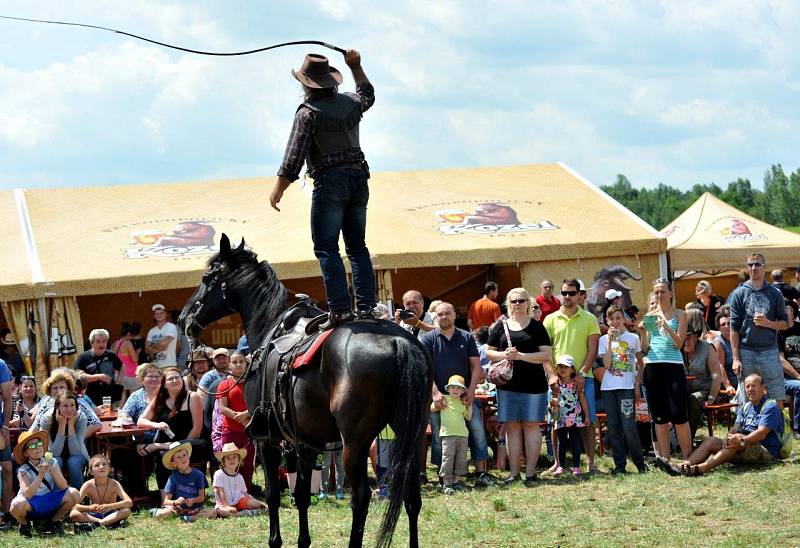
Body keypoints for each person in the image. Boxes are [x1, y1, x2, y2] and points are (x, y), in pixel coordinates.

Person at [270, 49, 377, 330]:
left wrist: (278, 189)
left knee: (327, 248)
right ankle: (367, 308)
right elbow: (368, 93)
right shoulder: (351, 103)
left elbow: (293, 157)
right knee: (357, 247)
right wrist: (356, 66)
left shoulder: (308, 113)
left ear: (306, 85)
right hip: (358, 179)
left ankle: (340, 310)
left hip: (330, 183)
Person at [486, 287, 554, 486]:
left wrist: (521, 356)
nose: (517, 304)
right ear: (508, 304)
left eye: (521, 300)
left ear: (528, 303)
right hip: (507, 385)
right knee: (512, 427)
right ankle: (514, 473)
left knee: (532, 425)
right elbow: (489, 352)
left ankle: (531, 473)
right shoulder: (500, 326)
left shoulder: (537, 327)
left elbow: (545, 355)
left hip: (534, 385)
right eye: (513, 301)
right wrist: (504, 355)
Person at [421, 302, 493, 488]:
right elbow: (425, 370)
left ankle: (481, 472)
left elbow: (476, 366)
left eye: (447, 313)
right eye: (440, 314)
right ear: (435, 316)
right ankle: (443, 475)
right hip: (441, 399)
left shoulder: (466, 337)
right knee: (439, 437)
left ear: (454, 315)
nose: (443, 317)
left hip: (464, 397)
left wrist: (470, 391)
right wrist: (435, 393)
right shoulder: (429, 339)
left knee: (477, 431)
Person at [543, 278, 600, 474]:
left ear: (579, 295)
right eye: (564, 293)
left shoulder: (589, 318)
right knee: (555, 421)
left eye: (571, 293)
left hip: (585, 377)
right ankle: (558, 463)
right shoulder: (549, 319)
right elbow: (545, 351)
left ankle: (590, 462)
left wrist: (582, 373)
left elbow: (593, 349)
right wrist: (551, 375)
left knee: (588, 420)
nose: (567, 297)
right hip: (557, 380)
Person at [677, 374, 784, 475]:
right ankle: (684, 465)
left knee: (737, 439)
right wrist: (729, 439)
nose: (750, 389)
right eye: (747, 386)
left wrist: (741, 440)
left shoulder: (770, 406)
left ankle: (701, 468)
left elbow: (761, 434)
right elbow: (734, 428)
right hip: (742, 448)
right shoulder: (745, 407)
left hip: (765, 452)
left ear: (763, 388)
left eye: (753, 386)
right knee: (711, 440)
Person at [640, 277, 691, 473]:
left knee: (679, 415)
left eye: (663, 291)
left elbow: (679, 344)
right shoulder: (650, 315)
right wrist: (643, 333)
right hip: (653, 366)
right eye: (657, 292)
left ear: (671, 293)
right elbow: (645, 348)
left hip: (673, 366)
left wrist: (667, 327)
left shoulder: (680, 314)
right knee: (659, 417)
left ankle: (688, 457)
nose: (660, 295)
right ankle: (665, 459)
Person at [137, 367, 208, 500]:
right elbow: (141, 421)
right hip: (168, 445)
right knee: (162, 457)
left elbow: (197, 430)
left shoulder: (192, 397)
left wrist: (180, 450)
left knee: (166, 451)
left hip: (192, 443)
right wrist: (156, 424)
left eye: (177, 377)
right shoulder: (160, 399)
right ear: (164, 384)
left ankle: (157, 446)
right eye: (171, 378)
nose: (175, 380)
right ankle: (166, 501)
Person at [728, 254, 788, 408]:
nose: (753, 268)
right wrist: (735, 358)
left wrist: (768, 323)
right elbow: (733, 328)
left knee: (776, 396)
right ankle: (751, 431)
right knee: (749, 399)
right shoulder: (739, 293)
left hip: (769, 351)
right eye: (750, 265)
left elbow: (785, 323)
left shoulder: (775, 293)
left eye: (757, 264)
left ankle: (779, 431)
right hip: (746, 350)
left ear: (764, 268)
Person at [598, 305, 647, 474]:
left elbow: (641, 364)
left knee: (629, 426)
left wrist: (637, 384)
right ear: (607, 321)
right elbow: (606, 365)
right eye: (612, 319)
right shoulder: (603, 340)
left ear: (624, 319)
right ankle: (620, 465)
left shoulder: (633, 338)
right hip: (609, 389)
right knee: (613, 426)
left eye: (618, 318)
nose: (615, 322)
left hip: (626, 387)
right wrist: (611, 341)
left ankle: (640, 463)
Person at [10, 430, 80, 537]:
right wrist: (40, 476)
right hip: (31, 504)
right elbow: (28, 494)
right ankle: (24, 525)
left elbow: (64, 486)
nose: (37, 447)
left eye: (39, 444)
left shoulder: (52, 462)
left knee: (74, 493)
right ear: (26, 453)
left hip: (48, 499)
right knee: (16, 504)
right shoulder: (23, 470)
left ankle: (54, 522)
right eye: (32, 446)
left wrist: (53, 472)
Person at [683, 309, 725, 441]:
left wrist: (712, 397)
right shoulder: (678, 351)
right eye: (683, 338)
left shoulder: (707, 348)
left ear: (696, 337)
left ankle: (688, 438)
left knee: (693, 399)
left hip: (706, 391)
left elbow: (717, 375)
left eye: (689, 337)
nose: (686, 341)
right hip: (686, 390)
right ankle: (674, 438)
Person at [216, 351, 255, 489]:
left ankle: (246, 492)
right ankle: (228, 492)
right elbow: (222, 408)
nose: (238, 364)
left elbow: (257, 404)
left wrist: (246, 415)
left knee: (248, 464)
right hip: (230, 431)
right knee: (229, 463)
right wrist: (239, 418)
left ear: (246, 364)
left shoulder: (253, 383)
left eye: (241, 361)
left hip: (248, 430)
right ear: (229, 365)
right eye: (234, 362)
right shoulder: (224, 384)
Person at [35, 392, 90, 490]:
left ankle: (79, 497)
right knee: (56, 461)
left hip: (78, 452)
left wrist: (70, 427)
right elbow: (53, 453)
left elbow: (75, 451)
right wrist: (61, 427)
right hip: (53, 453)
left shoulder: (81, 417)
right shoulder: (47, 419)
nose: (69, 409)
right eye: (65, 406)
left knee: (73, 462)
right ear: (57, 408)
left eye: (72, 405)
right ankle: (58, 497)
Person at [153, 441, 216, 521]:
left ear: (188, 457)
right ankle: (184, 517)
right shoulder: (173, 477)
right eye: (178, 457)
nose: (183, 458)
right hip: (178, 508)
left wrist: (193, 500)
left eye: (184, 455)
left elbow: (201, 498)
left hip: (195, 508)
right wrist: (176, 502)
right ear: (174, 463)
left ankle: (188, 518)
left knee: (213, 512)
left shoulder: (198, 475)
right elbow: (166, 501)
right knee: (159, 515)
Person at [31, 369, 102, 437]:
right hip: (49, 445)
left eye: (62, 387)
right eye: (55, 388)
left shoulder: (79, 402)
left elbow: (96, 424)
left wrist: (77, 438)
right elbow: (35, 427)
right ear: (50, 391)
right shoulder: (46, 402)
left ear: (68, 389)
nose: (58, 390)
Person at [69, 454, 132, 530]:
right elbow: (74, 506)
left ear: (109, 469)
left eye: (104, 464)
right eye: (97, 465)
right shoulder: (88, 485)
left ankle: (98, 524)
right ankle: (103, 522)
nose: (101, 467)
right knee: (73, 514)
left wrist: (110, 506)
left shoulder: (114, 484)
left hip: (111, 514)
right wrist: (89, 508)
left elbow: (129, 502)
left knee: (126, 511)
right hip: (94, 515)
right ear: (91, 472)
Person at [549, 355, 588, 477]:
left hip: (575, 418)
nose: (562, 369)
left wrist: (586, 415)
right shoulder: (556, 385)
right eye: (560, 366)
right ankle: (561, 466)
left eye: (566, 367)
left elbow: (582, 399)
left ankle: (576, 467)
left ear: (572, 369)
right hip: (561, 418)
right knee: (562, 443)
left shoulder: (576, 384)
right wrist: (553, 404)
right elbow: (553, 400)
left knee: (575, 442)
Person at [434, 375, 472, 495]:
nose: (455, 390)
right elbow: (431, 409)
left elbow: (469, 417)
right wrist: (438, 404)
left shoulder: (462, 402)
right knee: (448, 458)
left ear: (462, 391)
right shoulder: (444, 398)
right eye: (453, 387)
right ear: (448, 389)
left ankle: (456, 482)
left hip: (462, 435)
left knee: (460, 459)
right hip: (448, 434)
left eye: (458, 388)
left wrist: (469, 405)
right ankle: (446, 484)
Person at [212, 443, 266, 517]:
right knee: (222, 511)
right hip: (223, 505)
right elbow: (220, 491)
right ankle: (246, 513)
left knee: (255, 503)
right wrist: (226, 506)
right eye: (228, 458)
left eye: (234, 457)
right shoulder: (219, 474)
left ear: (239, 460)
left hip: (238, 502)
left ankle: (241, 513)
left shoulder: (239, 477)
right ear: (223, 461)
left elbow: (245, 493)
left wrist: (257, 502)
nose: (232, 460)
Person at [72, 328, 123, 406]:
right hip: (90, 397)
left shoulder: (111, 355)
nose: (102, 344)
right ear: (92, 343)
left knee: (111, 417)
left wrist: (119, 380)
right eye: (98, 341)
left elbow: (122, 367)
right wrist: (99, 377)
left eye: (104, 341)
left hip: (110, 397)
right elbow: (79, 375)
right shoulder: (84, 357)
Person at [123, 363, 163, 450]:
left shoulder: (167, 394)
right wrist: (127, 419)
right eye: (150, 376)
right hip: (142, 439)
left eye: (157, 376)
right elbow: (124, 415)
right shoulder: (136, 396)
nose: (154, 379)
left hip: (165, 435)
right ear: (142, 379)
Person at [111, 323, 140, 404]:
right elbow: (134, 359)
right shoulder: (128, 343)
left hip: (119, 374)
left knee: (122, 396)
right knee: (133, 396)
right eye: (131, 335)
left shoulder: (116, 343)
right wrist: (137, 352)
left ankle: (120, 413)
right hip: (130, 374)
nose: (132, 337)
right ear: (128, 334)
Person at [712, 306, 738, 389]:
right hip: (731, 381)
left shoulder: (740, 338)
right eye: (723, 324)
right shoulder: (718, 342)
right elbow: (720, 366)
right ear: (719, 328)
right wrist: (728, 385)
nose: (726, 326)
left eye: (729, 323)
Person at [145, 304, 178, 368]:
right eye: (156, 314)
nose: (159, 315)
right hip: (154, 367)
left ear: (165, 314)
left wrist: (152, 345)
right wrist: (160, 347)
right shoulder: (151, 331)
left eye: (161, 313)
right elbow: (146, 350)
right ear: (154, 316)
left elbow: (164, 345)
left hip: (168, 366)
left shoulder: (171, 326)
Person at [0, 358, 12, 522]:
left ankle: (7, 512)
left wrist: (5, 426)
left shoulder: (1, 364)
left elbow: (8, 398)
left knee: (7, 467)